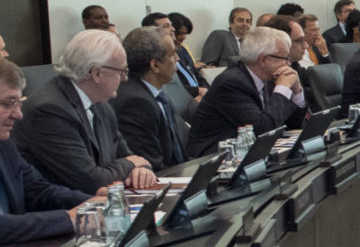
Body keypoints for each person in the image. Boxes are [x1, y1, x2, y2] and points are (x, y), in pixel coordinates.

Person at [14, 30, 158, 192]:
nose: (125, 79)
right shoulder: (50, 111)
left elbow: (131, 157)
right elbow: (91, 181)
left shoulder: (101, 104)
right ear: (97, 73)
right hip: (65, 204)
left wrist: (141, 171)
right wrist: (131, 164)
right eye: (122, 72)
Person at [0, 58, 94, 247]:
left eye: (19, 103)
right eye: (7, 104)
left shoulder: (4, 145)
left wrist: (94, 203)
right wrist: (68, 219)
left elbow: (39, 191)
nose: (18, 115)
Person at [185, 26, 306, 157]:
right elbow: (262, 130)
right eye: (284, 58)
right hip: (215, 158)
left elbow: (293, 125)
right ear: (263, 59)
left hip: (249, 153)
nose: (288, 64)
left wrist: (297, 91)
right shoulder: (231, 83)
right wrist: (282, 88)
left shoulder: (269, 78)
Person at [114, 27, 188, 171]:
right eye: (173, 54)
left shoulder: (155, 94)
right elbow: (151, 164)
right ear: (155, 65)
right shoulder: (135, 103)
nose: (177, 58)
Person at [163, 11, 208, 98]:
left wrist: (207, 90)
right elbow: (170, 86)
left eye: (185, 34)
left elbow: (197, 75)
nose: (184, 37)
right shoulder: (162, 55)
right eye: (181, 33)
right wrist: (197, 91)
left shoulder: (182, 50)